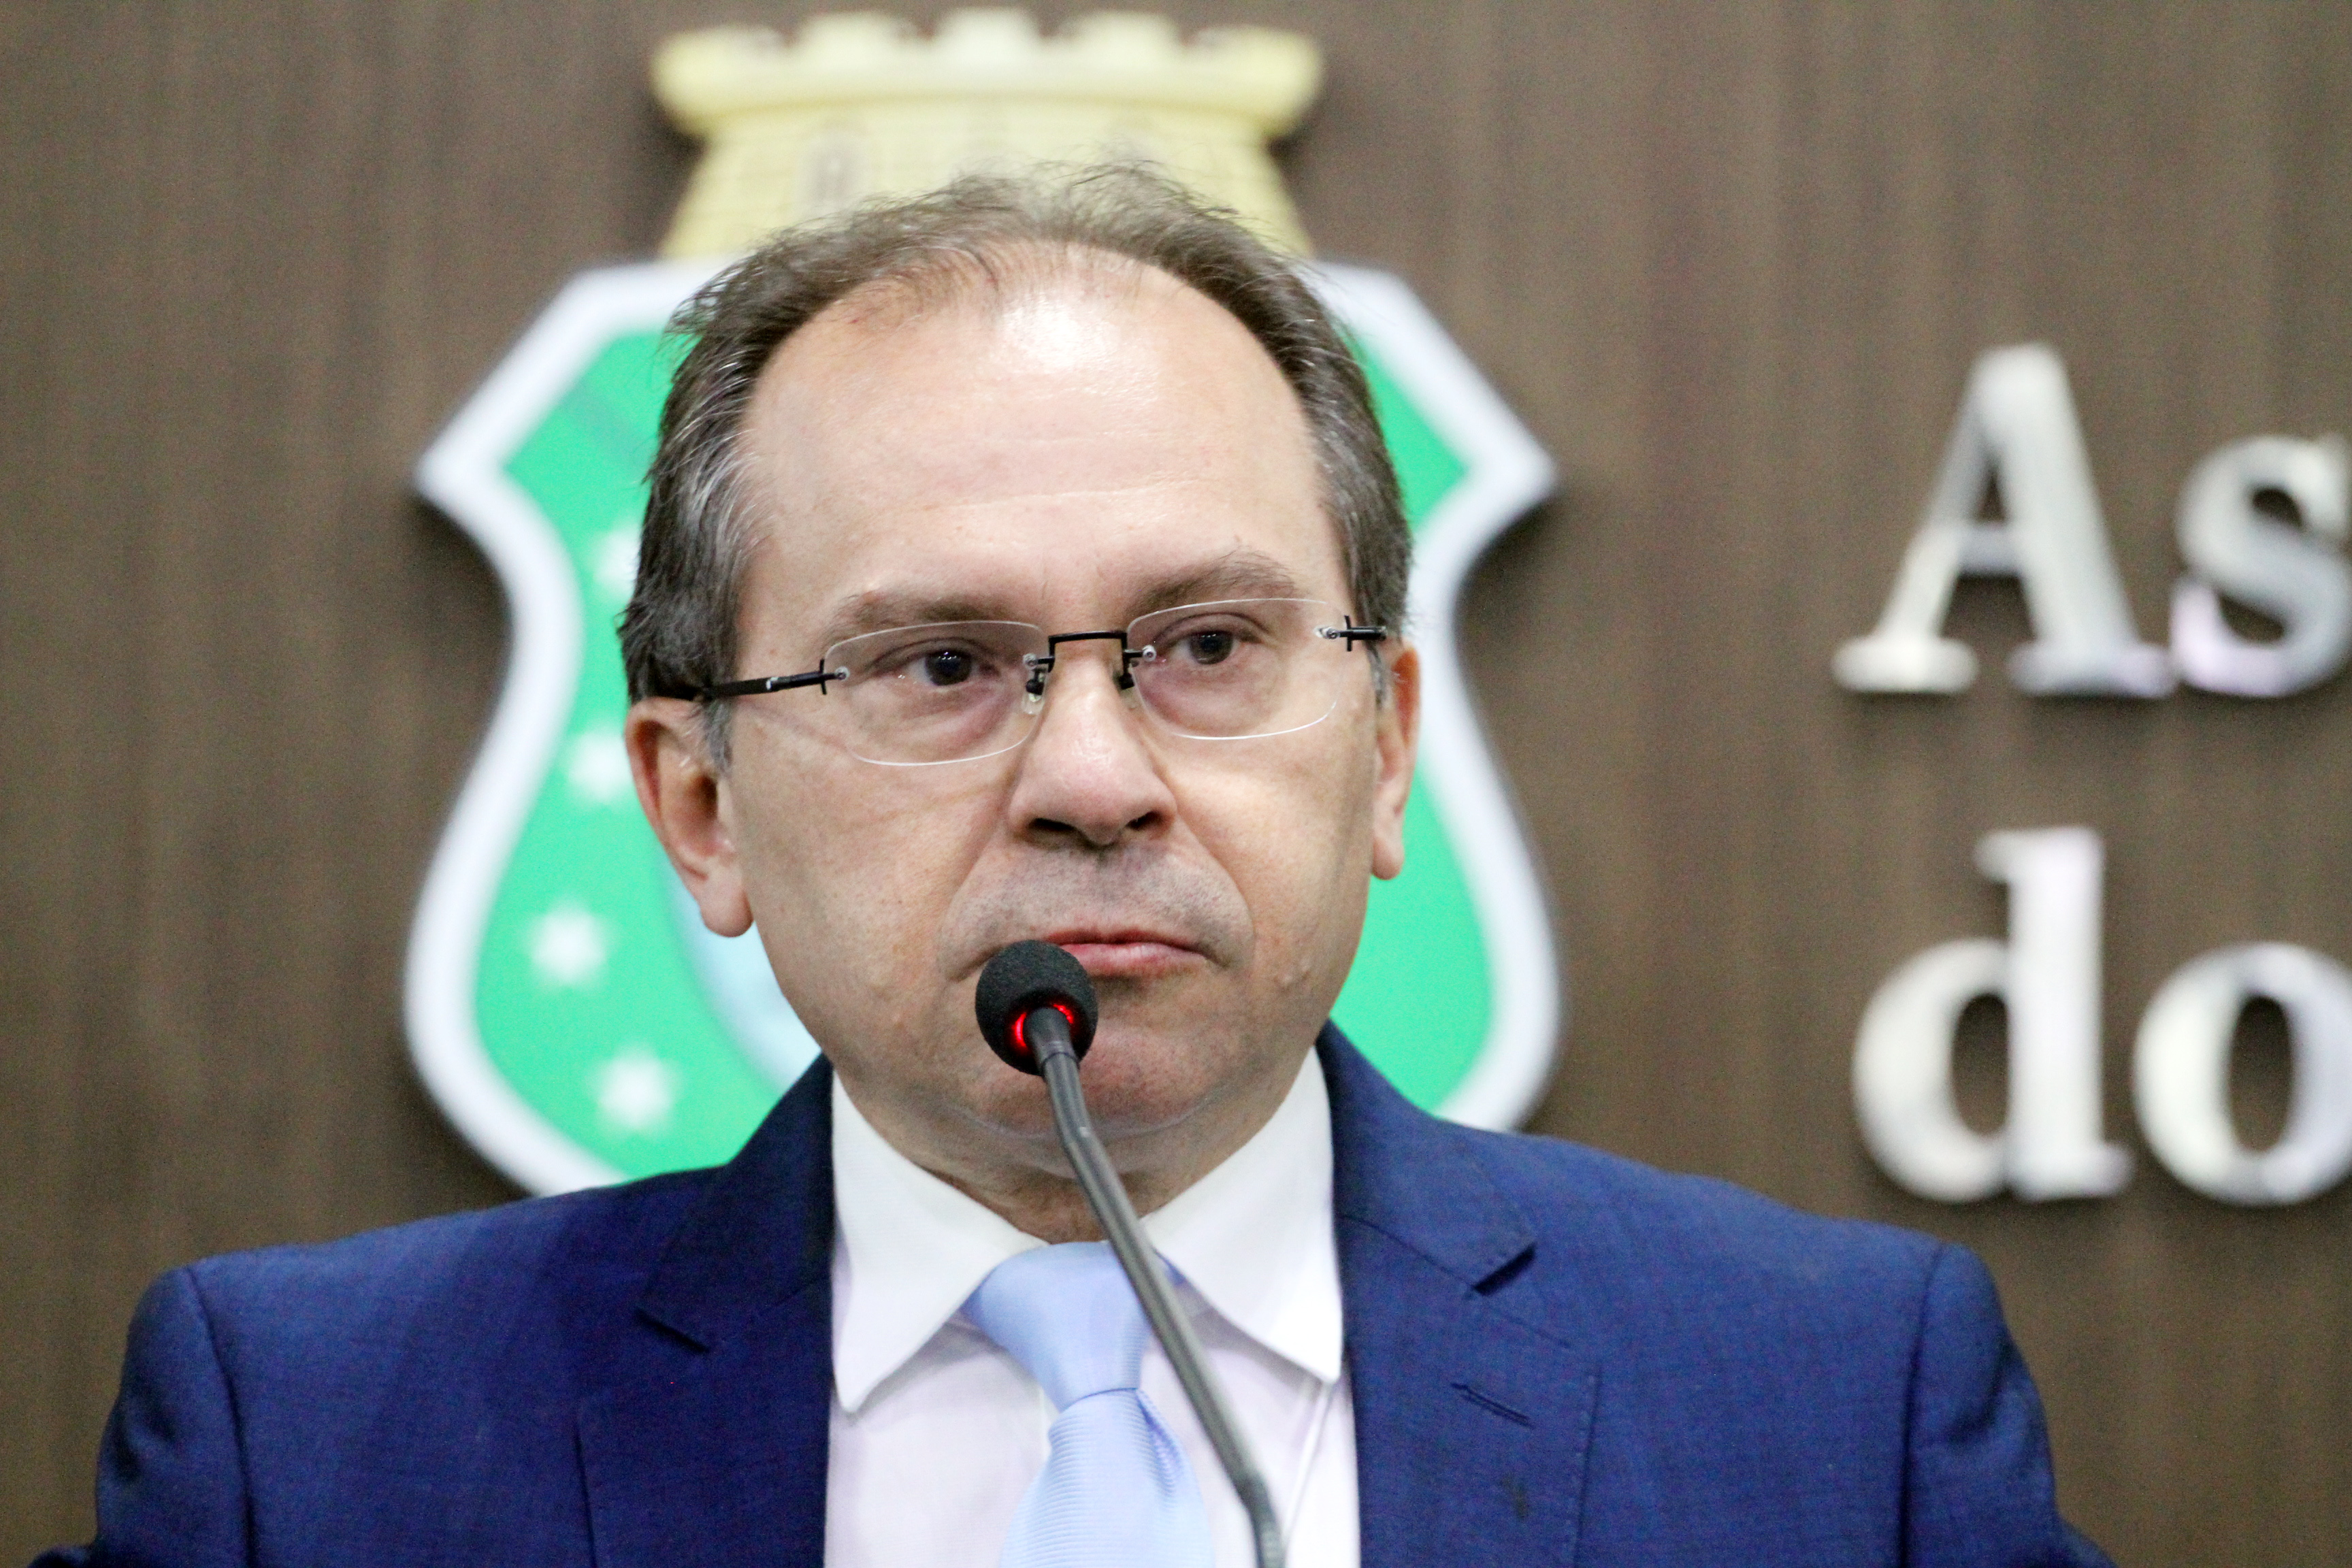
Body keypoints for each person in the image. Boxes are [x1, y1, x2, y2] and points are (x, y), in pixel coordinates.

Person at [40, 167, 2111, 1568]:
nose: (1096, 779)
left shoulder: (1835, 1414)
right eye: (942, 665)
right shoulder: (312, 1451)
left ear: (1386, 749)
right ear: (699, 808)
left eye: (1206, 648)